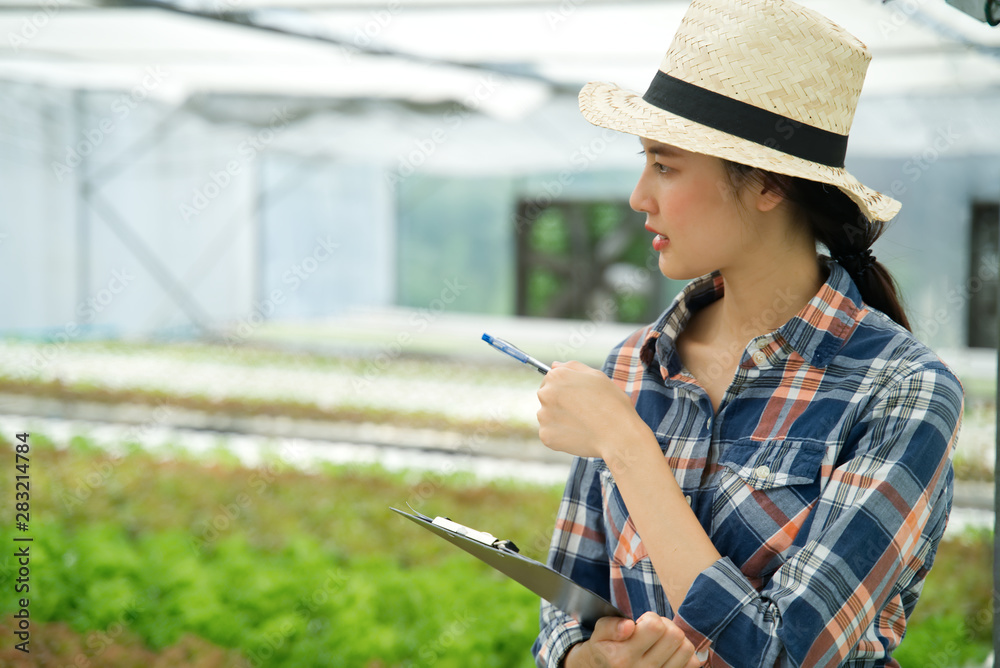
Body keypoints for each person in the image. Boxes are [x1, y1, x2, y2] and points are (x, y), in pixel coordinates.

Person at [531, 0, 964, 666]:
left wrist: (626, 444)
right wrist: (590, 657)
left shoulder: (902, 393)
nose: (638, 196)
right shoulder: (634, 364)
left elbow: (789, 653)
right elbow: (567, 616)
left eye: (665, 165)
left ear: (765, 184)